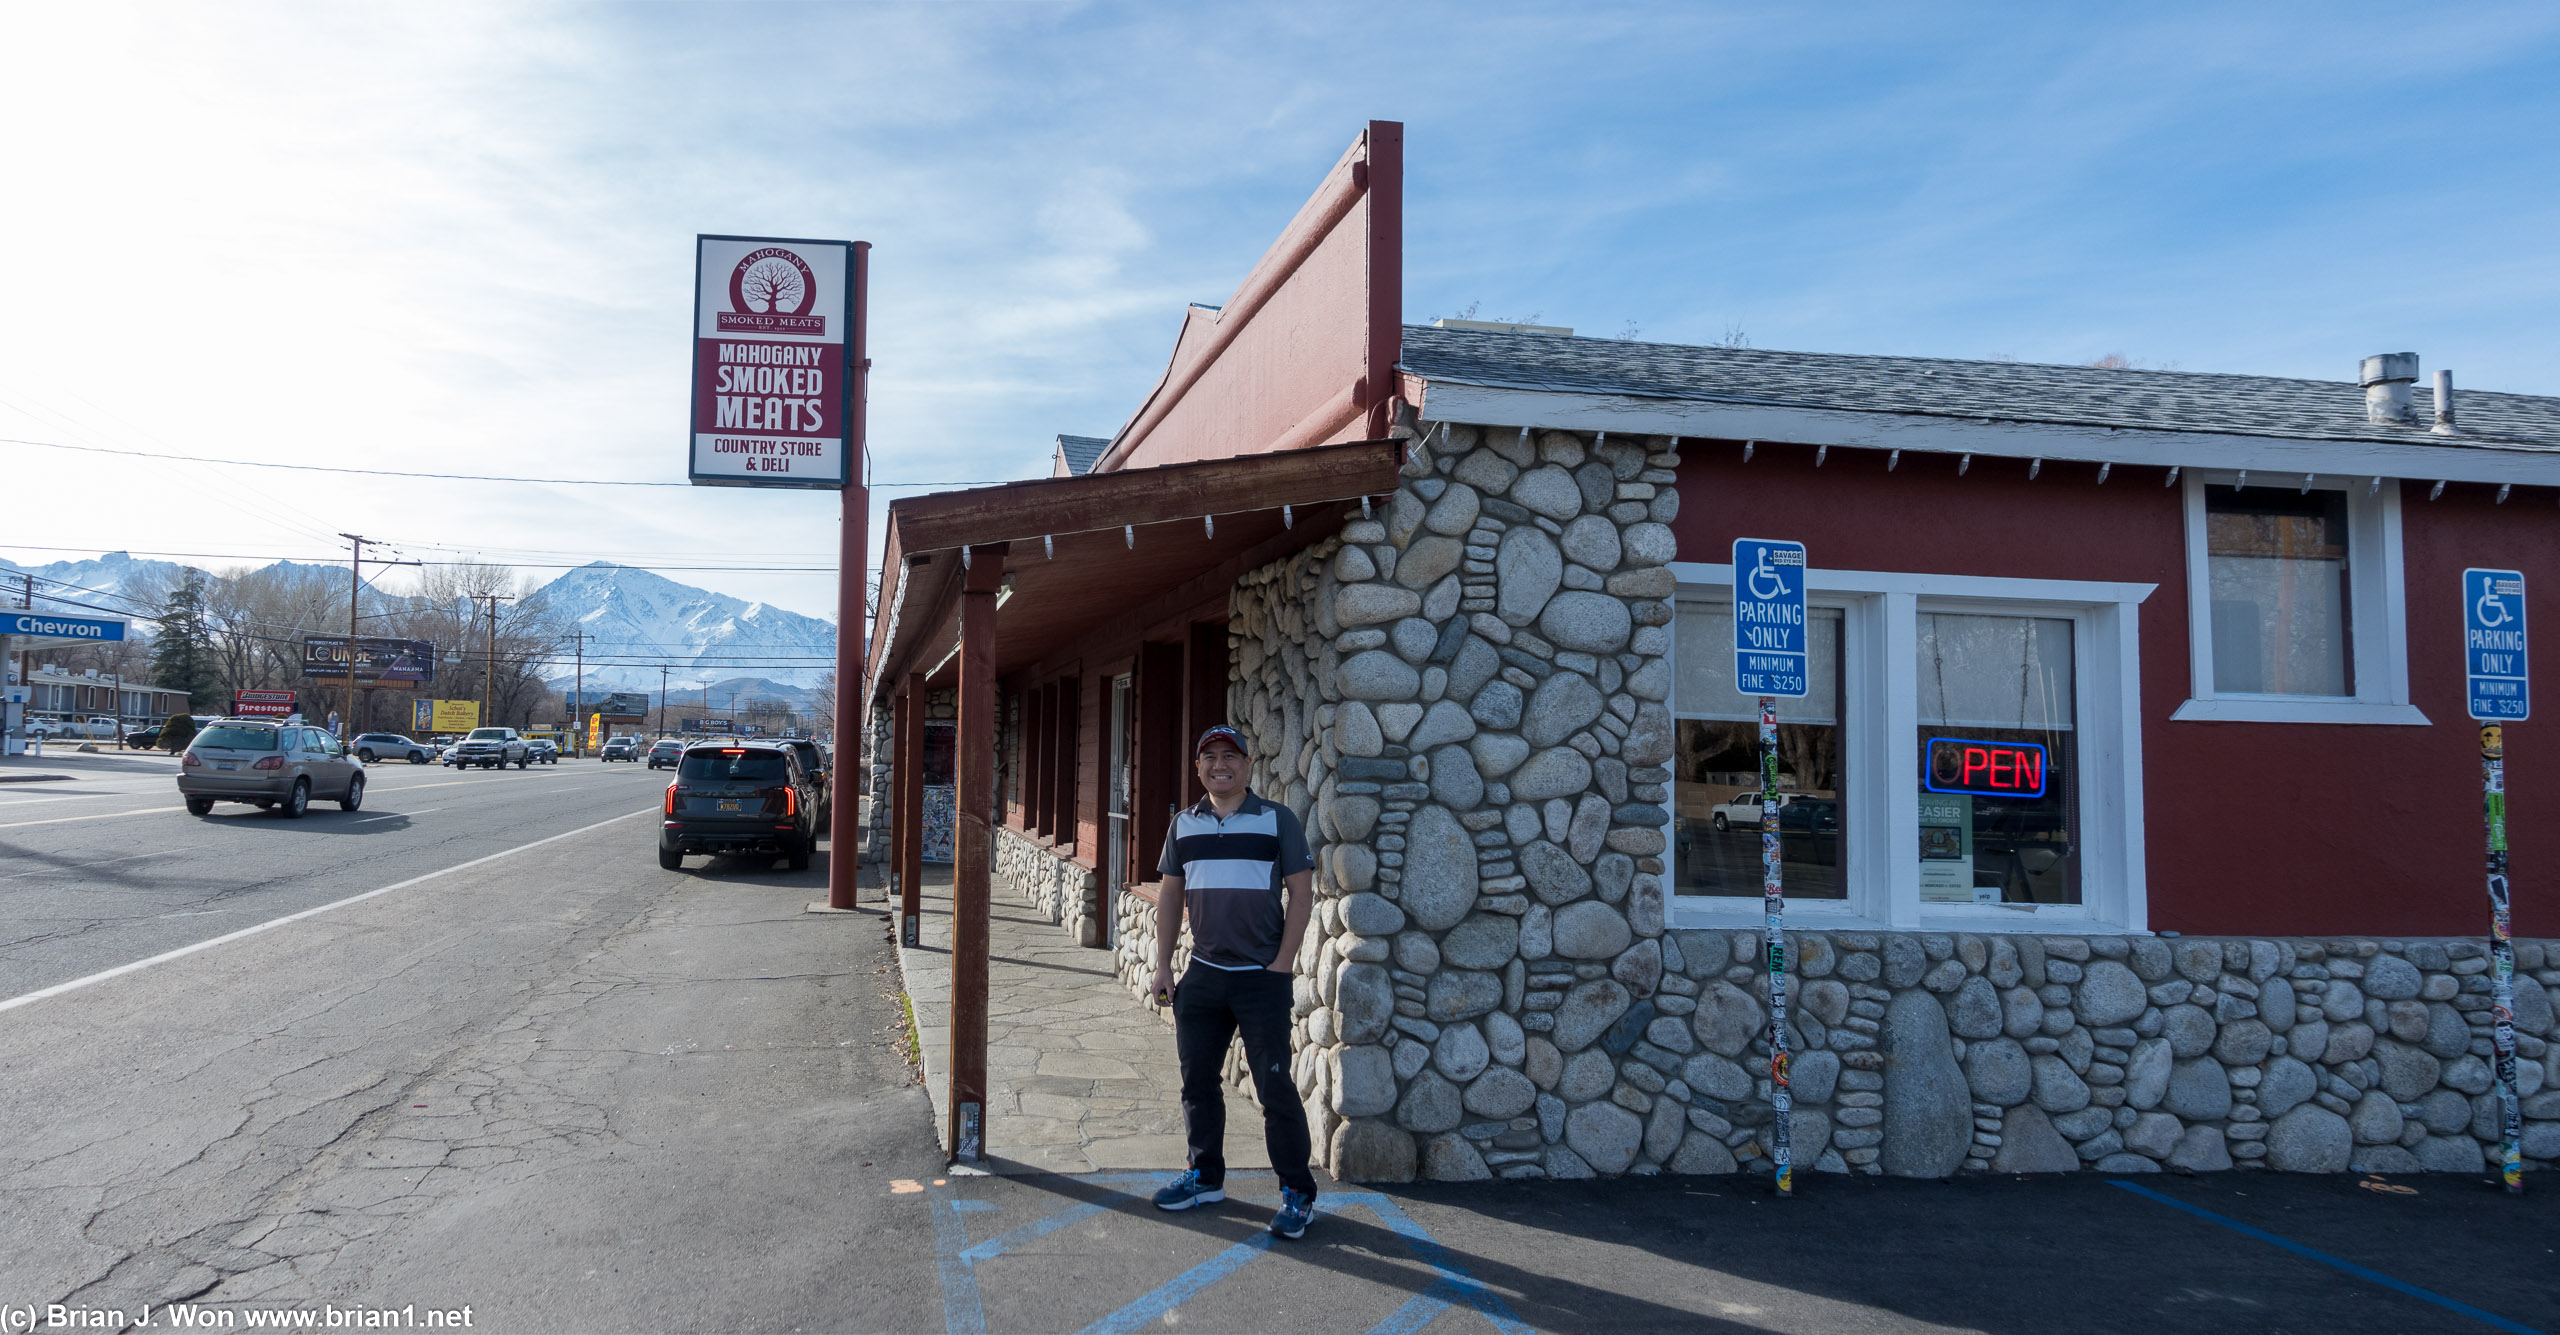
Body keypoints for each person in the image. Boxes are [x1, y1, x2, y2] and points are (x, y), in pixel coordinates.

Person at [1148, 724, 1320, 1239]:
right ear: (1198, 768)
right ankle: (1205, 1176)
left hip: (1260, 979)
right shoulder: (1184, 825)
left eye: (1230, 757)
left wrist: (1284, 962)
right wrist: (1162, 964)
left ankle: (1297, 1193)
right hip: (1203, 975)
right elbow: (1171, 898)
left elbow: (1302, 893)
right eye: (1209, 758)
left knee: (1275, 1088)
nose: (1220, 765)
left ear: (1247, 766)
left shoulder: (1277, 821)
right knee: (1197, 1083)